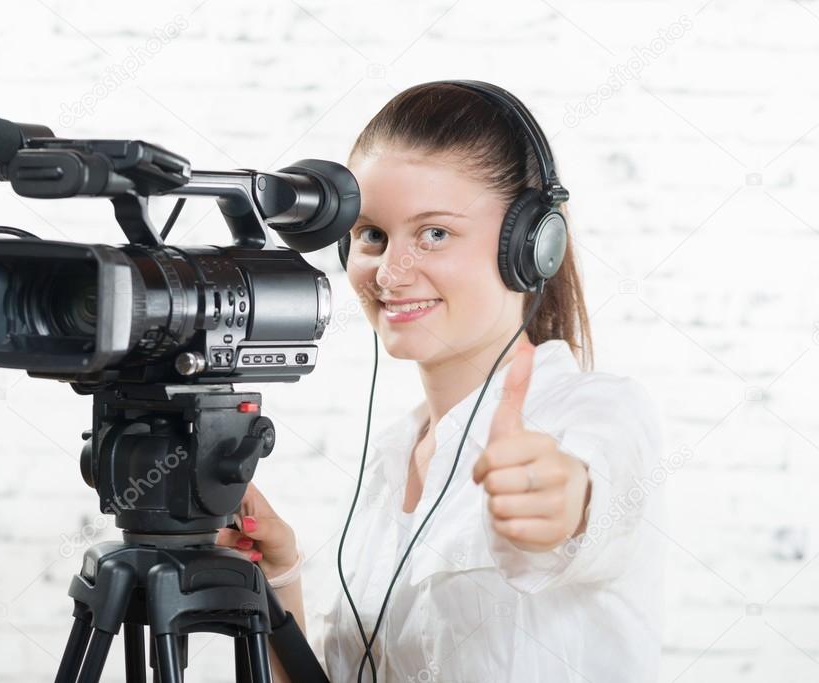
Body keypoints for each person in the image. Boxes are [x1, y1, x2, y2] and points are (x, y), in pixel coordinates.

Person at [216, 81, 665, 682]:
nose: (390, 274)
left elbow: (593, 487)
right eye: (372, 235)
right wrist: (277, 583)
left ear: (531, 246)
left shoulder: (596, 415)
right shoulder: (390, 462)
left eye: (434, 233)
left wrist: (562, 498)